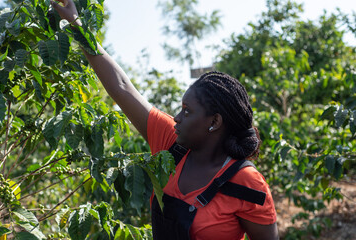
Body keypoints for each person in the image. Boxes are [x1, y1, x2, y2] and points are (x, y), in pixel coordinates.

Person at [51, 1, 279, 239]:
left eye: (187, 112)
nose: (177, 118)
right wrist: (76, 24)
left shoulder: (246, 182)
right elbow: (120, 87)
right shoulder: (172, 143)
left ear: (215, 122)